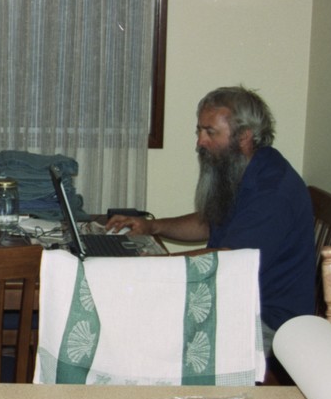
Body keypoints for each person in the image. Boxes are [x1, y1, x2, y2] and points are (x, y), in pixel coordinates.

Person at [106, 86, 315, 352]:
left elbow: (229, 260)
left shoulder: (272, 192)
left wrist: (159, 264)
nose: (200, 142)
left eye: (210, 132)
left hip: (269, 322)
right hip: (233, 298)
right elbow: (209, 222)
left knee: (144, 323)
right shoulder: (245, 168)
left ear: (244, 137)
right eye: (199, 131)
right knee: (136, 309)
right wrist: (151, 226)